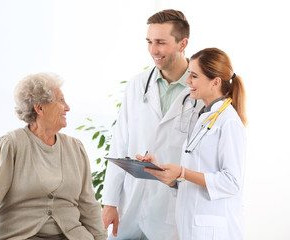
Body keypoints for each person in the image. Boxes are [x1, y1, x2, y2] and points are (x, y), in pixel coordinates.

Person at [0, 72, 107, 240]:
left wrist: (100, 238)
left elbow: (88, 204)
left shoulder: (75, 148)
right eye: (60, 100)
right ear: (39, 108)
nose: (67, 107)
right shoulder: (10, 145)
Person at [101, 9, 203, 240]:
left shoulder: (201, 89)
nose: (153, 50)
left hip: (174, 206)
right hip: (133, 201)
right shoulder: (137, 85)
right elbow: (120, 144)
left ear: (182, 43)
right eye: (149, 42)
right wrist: (110, 202)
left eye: (160, 42)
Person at [138, 48, 247, 240]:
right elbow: (196, 174)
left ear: (215, 82)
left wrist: (182, 173)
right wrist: (171, 178)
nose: (187, 81)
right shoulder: (203, 116)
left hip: (213, 230)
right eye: (189, 75)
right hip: (191, 227)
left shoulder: (228, 122)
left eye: (194, 76)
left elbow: (232, 183)